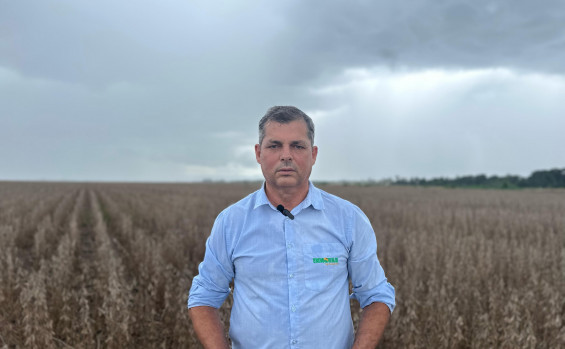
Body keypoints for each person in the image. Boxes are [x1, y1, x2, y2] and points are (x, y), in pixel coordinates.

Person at [188, 106, 395, 348]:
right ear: (258, 153)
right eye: (274, 146)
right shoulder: (231, 222)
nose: (286, 155)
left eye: (297, 146)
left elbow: (376, 295)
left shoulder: (349, 219)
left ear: (314, 154)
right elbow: (203, 297)